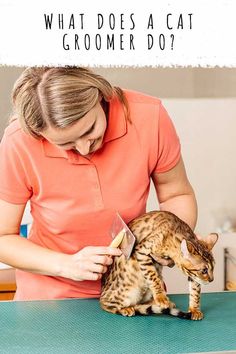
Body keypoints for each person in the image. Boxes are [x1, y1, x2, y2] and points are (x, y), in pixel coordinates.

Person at [0, 67, 197, 300]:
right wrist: (66, 265)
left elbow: (176, 195)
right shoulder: (19, 141)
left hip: (135, 287)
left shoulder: (149, 118)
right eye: (67, 144)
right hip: (48, 297)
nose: (84, 149)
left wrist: (173, 244)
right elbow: (4, 237)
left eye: (90, 130)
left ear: (100, 95)